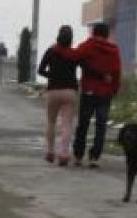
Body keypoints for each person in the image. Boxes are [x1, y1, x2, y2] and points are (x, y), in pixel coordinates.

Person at [64, 22, 122, 167]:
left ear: (94, 33)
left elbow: (73, 57)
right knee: (101, 125)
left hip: (88, 91)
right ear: (107, 34)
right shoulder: (114, 50)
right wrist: (114, 89)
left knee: (83, 123)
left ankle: (78, 155)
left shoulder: (87, 46)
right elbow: (116, 72)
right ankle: (94, 157)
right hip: (105, 93)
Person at [38, 25, 80, 166]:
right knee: (67, 124)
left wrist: (52, 75)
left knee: (51, 122)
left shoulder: (51, 51)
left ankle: (50, 152)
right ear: (71, 38)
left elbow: (40, 70)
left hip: (54, 91)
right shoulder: (74, 53)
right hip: (70, 91)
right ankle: (64, 154)